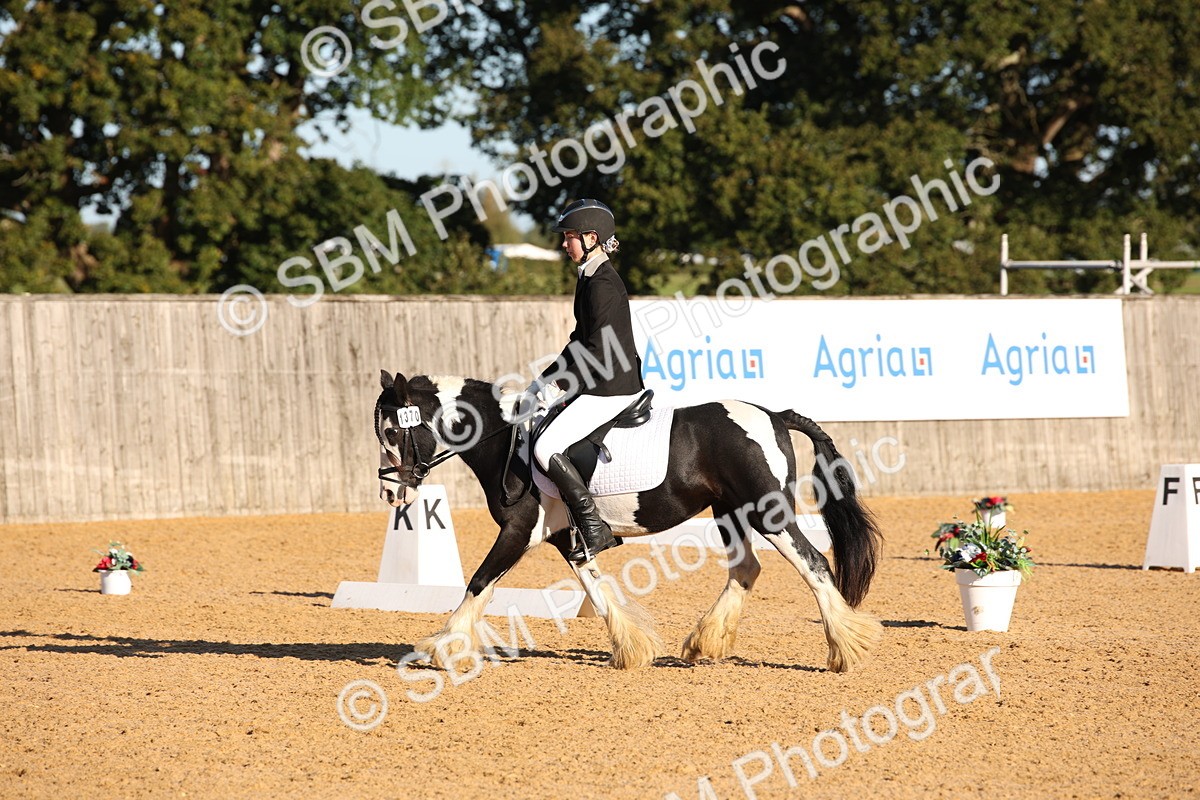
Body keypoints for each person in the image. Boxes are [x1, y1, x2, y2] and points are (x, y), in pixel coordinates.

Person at [527, 199, 644, 564]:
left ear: (591, 238)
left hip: (612, 385)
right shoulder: (590, 278)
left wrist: (561, 385)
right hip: (600, 381)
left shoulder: (603, 284)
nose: (564, 244)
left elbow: (597, 349)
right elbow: (579, 341)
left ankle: (594, 528)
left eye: (570, 237)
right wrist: (542, 382)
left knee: (545, 448)